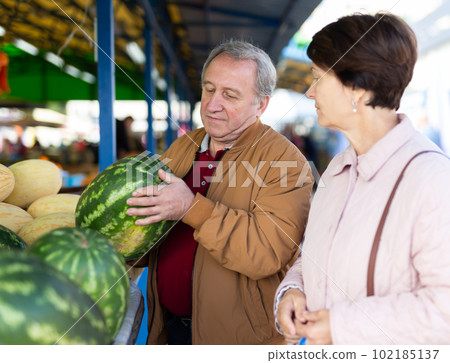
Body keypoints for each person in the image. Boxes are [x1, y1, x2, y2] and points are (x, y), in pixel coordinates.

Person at [274, 12, 450, 345]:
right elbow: (313, 256)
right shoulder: (338, 168)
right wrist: (293, 289)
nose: (310, 92)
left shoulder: (432, 179)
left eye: (317, 78)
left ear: (356, 88)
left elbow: (444, 310)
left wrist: (341, 326)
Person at [126, 40, 313, 344]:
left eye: (230, 95)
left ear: (261, 104)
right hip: (170, 328)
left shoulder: (286, 162)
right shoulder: (184, 146)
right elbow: (157, 227)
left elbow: (265, 253)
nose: (213, 104)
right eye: (209, 89)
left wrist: (191, 209)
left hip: (237, 340)